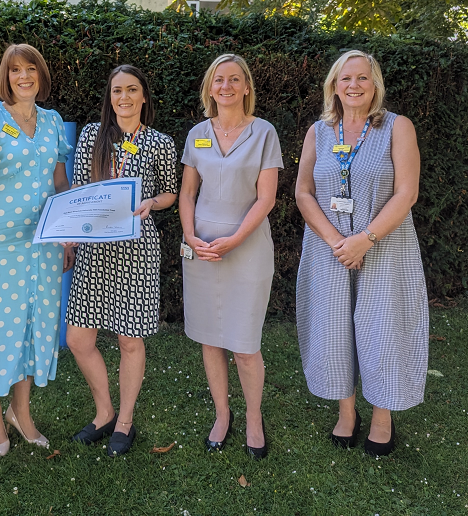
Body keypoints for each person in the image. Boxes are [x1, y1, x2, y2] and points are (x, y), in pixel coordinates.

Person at [295, 50, 428, 457]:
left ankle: (382, 416)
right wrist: (338, 240)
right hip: (328, 248)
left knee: (382, 328)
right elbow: (302, 191)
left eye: (362, 79)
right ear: (333, 86)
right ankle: (346, 411)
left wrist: (364, 239)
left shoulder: (396, 127)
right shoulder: (319, 131)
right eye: (345, 78)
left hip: (384, 247)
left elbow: (408, 192)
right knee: (333, 328)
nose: (353, 86)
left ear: (375, 86)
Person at [0, 43, 73, 457]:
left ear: (40, 76)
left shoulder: (52, 122)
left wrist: (69, 234)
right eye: (15, 71)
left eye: (31, 69)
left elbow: (61, 185)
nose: (23, 77)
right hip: (0, 245)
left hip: (43, 243)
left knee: (34, 324)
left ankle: (21, 412)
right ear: (5, 78)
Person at [66, 64, 177, 457]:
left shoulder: (160, 142)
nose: (124, 98)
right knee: (78, 339)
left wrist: (152, 202)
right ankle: (104, 411)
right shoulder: (92, 136)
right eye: (117, 91)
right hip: (96, 247)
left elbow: (170, 193)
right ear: (109, 97)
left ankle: (125, 420)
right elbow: (80, 188)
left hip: (136, 250)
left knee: (130, 339)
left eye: (132, 90)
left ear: (144, 97)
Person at [179, 54, 283, 460]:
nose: (225, 86)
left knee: (243, 344)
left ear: (245, 88)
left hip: (248, 249)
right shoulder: (197, 134)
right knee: (209, 340)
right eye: (218, 80)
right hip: (202, 250)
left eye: (234, 79)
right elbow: (187, 193)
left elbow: (267, 197)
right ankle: (223, 415)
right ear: (210, 88)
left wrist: (236, 238)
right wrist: (190, 234)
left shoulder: (264, 133)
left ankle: (253, 417)